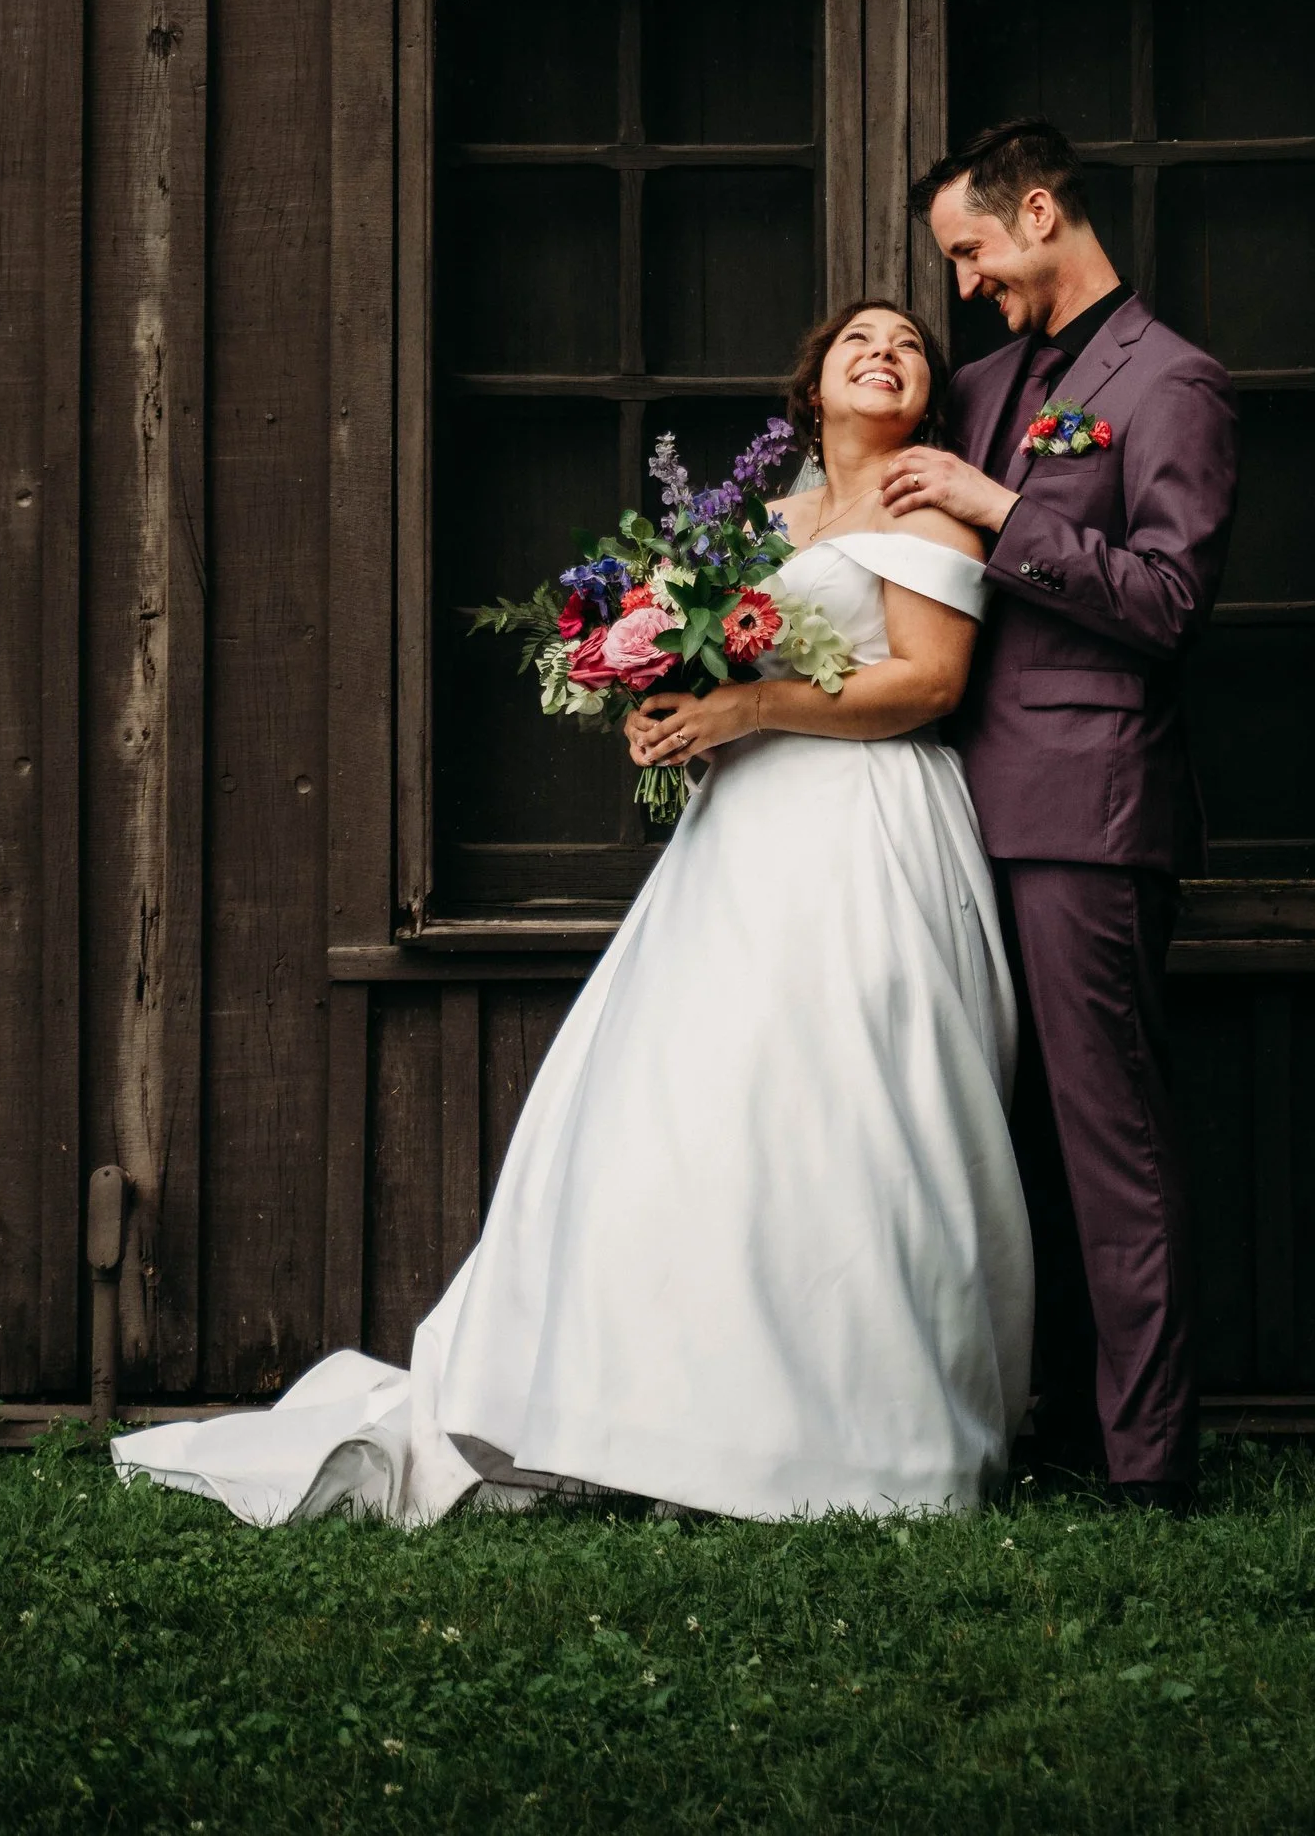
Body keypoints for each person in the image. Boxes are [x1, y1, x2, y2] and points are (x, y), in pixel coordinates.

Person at [113, 301, 1031, 1526]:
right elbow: (722, 670)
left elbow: (926, 683)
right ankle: (662, 1409)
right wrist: (672, 710)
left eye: (911, 347)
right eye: (860, 342)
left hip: (864, 827)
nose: (887, 354)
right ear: (810, 392)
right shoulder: (756, 526)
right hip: (740, 838)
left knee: (844, 1096)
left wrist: (749, 711)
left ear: (927, 395)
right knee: (692, 1111)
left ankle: (844, 1430)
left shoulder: (928, 507)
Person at [880, 117, 1238, 1511]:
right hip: (944, 809)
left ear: (1039, 211)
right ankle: (1044, 1426)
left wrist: (998, 503)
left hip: (1086, 814)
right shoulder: (971, 382)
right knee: (996, 1140)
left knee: (1111, 1143)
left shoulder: (1176, 382)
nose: (962, 281)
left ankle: (1145, 1469)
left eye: (971, 249)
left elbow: (1168, 602)